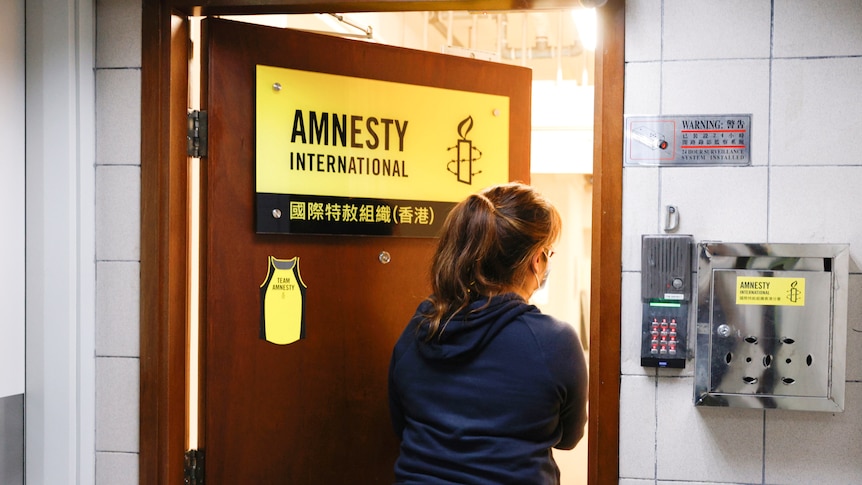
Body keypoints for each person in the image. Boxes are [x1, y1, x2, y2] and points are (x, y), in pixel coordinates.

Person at [388, 182, 588, 484]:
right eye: (549, 253)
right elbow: (568, 438)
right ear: (536, 260)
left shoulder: (422, 325)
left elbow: (400, 422)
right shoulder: (554, 342)